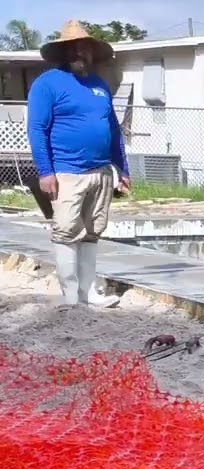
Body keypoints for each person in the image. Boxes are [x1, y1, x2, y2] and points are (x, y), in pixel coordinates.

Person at [26, 19, 129, 308]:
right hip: (66, 172)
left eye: (83, 48)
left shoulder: (99, 85)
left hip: (101, 173)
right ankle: (71, 296)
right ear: (62, 53)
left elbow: (113, 129)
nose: (78, 53)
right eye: (72, 48)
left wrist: (122, 168)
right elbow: (37, 129)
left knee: (93, 232)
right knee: (66, 231)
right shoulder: (47, 84)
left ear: (92, 53)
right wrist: (46, 172)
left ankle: (89, 292)